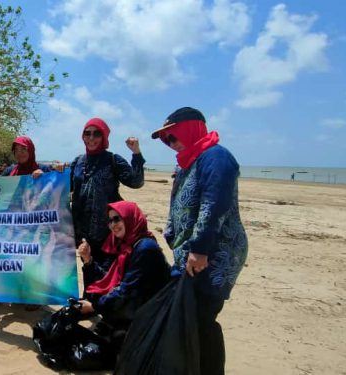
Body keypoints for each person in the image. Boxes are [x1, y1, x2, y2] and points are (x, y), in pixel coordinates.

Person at [151, 106, 248, 375]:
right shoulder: (189, 160)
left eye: (173, 136)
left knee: (202, 319)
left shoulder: (216, 157)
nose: (171, 144)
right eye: (166, 140)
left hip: (214, 254)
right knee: (189, 317)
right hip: (192, 253)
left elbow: (214, 205)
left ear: (190, 128)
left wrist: (200, 250)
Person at [77, 201, 170, 349]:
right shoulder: (126, 244)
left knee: (118, 340)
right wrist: (88, 260)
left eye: (117, 219)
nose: (112, 225)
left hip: (152, 311)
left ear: (129, 218)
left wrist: (94, 307)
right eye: (110, 221)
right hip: (137, 303)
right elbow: (109, 279)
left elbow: (126, 290)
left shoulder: (145, 248)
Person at [70, 118, 145, 275]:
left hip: (110, 231)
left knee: (109, 275)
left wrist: (136, 153)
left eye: (96, 134)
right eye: (87, 133)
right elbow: (65, 189)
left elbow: (136, 182)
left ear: (104, 137)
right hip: (83, 233)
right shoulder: (77, 162)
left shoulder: (112, 160)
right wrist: (52, 172)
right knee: (89, 270)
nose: (91, 138)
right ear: (82, 136)